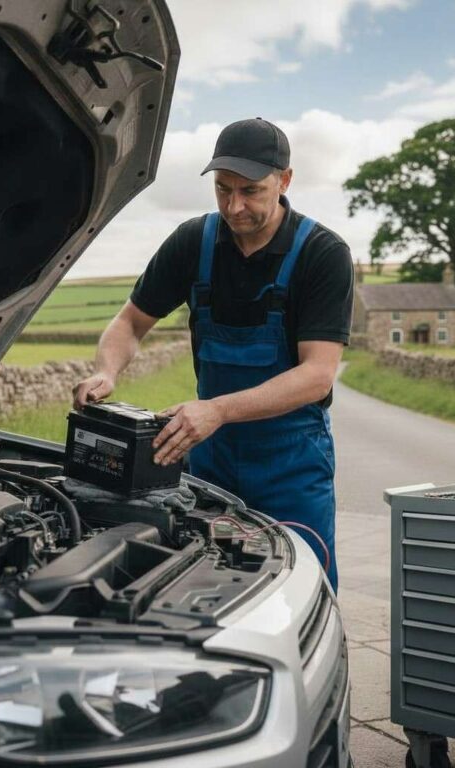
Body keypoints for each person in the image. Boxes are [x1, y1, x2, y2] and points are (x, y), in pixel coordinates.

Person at [73, 118, 354, 590]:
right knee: (208, 583)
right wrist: (106, 371)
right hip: (210, 457)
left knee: (304, 586)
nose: (234, 205)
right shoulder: (192, 242)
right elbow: (130, 322)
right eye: (223, 190)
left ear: (284, 181)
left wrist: (218, 410)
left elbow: (317, 376)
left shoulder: (322, 254)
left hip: (291, 461)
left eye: (250, 191)